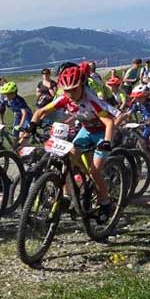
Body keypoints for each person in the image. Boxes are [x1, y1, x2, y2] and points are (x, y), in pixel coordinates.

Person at [30, 65, 116, 220]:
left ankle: (105, 202)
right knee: (69, 155)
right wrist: (32, 125)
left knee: (95, 171)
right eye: (66, 90)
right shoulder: (64, 98)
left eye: (74, 89)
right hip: (86, 130)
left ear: (82, 86)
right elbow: (41, 111)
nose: (70, 93)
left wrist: (107, 142)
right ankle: (73, 190)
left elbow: (109, 122)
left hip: (102, 132)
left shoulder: (92, 101)